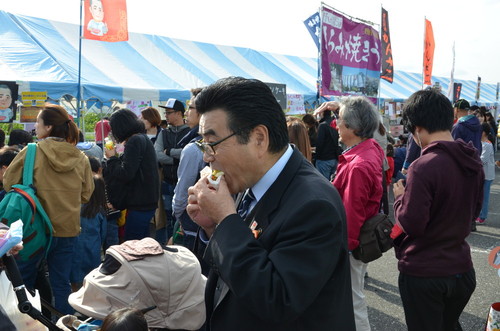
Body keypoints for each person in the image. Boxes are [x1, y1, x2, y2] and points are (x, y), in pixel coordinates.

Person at [187, 77, 354, 330]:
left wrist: (226, 220)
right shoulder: (250, 182)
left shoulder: (314, 204)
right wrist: (214, 228)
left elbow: (278, 300)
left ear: (259, 138)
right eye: (203, 144)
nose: (207, 156)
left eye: (212, 143)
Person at [393, 89, 482, 331]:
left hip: (425, 271)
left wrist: (400, 199)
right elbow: (475, 209)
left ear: (418, 128)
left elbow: (412, 223)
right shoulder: (472, 160)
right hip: (462, 268)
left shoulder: (423, 166)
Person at [3, 104, 94, 314]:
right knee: (61, 283)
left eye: (38, 122)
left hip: (34, 230)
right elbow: (86, 194)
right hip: (67, 229)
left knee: (22, 283)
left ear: (49, 127)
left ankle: (23, 324)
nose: (36, 126)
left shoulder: (32, 151)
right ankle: (62, 324)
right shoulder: (80, 158)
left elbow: (9, 183)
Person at [332, 96, 383, 331]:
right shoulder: (370, 150)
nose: (336, 125)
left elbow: (352, 211)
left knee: (352, 300)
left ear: (353, 127)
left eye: (340, 120)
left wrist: (347, 247)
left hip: (351, 242)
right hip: (359, 239)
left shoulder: (358, 164)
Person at [103, 109, 159, 241]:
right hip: (147, 202)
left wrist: (111, 159)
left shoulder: (134, 141)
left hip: (140, 204)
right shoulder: (142, 138)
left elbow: (126, 173)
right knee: (143, 244)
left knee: (133, 245)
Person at [172, 88, 206, 252]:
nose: (186, 112)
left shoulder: (193, 149)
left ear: (202, 113)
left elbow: (182, 193)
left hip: (192, 224)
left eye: (190, 107)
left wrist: (180, 218)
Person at [154, 99, 190, 243]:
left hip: (186, 184)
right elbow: (157, 154)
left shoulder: (190, 132)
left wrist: (170, 152)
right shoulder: (164, 133)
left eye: (169, 113)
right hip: (168, 183)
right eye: (166, 113)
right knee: (169, 218)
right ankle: (171, 247)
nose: (166, 116)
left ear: (180, 113)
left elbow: (191, 154)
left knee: (184, 220)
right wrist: (179, 158)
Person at [70, 173, 107, 292]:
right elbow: (103, 234)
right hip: (93, 250)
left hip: (75, 249)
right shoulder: (100, 211)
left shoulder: (75, 207)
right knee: (91, 281)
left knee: (74, 281)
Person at [313, 101, 340, 180]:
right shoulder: (335, 123)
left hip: (324, 159)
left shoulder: (322, 125)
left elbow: (320, 144)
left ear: (321, 113)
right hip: (335, 158)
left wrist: (316, 157)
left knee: (323, 185)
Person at [477, 122, 495, 224]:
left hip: (487, 175)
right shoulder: (482, 143)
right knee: (480, 195)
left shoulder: (488, 144)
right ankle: (480, 214)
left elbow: (483, 160)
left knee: (484, 196)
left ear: (483, 132)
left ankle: (483, 216)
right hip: (483, 174)